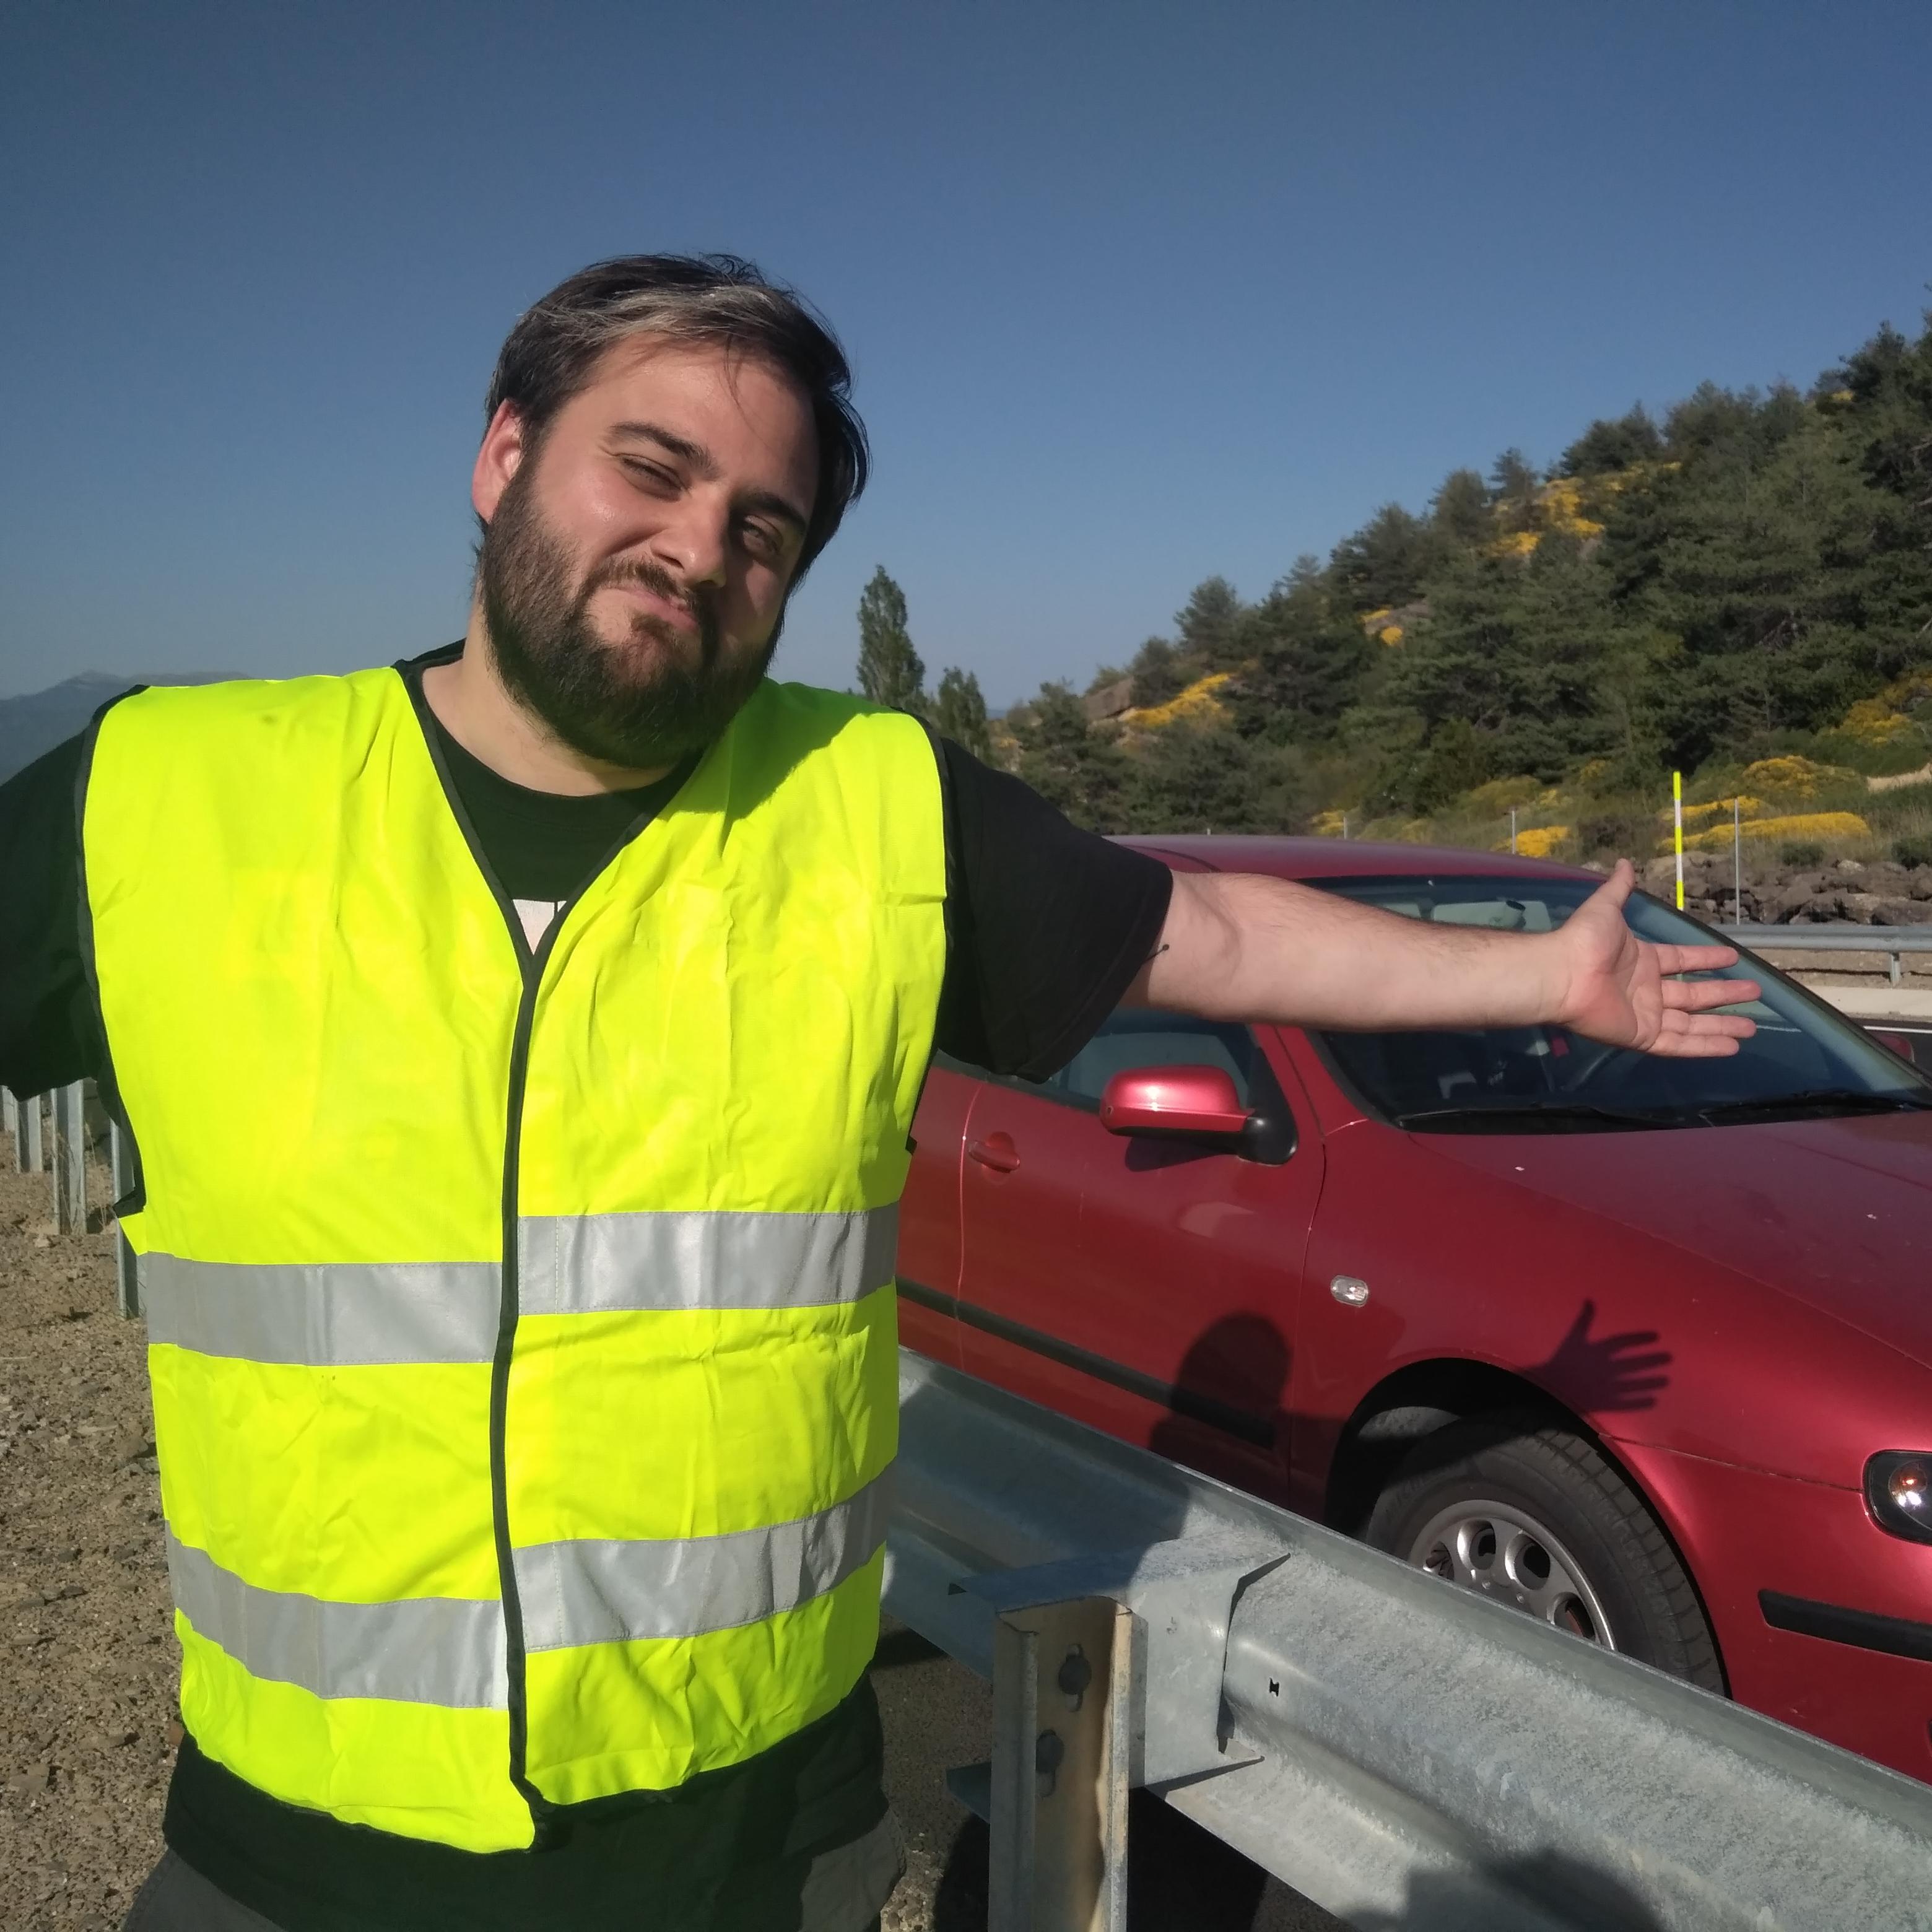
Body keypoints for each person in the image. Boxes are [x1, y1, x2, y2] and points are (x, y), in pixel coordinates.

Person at [0, 255, 1757, 1932]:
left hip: (757, 1860)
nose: (697, 545)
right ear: (504, 454)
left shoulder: (876, 806)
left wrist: (1539, 976)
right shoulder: (164, 797)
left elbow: (1204, 930)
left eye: (761, 527)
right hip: (297, 1866)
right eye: (653, 467)